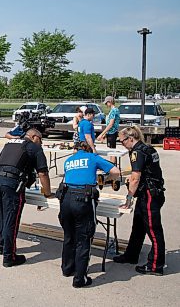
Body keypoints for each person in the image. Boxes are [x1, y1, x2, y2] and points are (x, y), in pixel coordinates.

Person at [59, 141, 120, 288]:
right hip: (83, 199)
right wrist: (104, 179)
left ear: (75, 149)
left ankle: (67, 269)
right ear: (88, 149)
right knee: (84, 238)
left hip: (65, 199)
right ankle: (80, 278)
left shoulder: (68, 161)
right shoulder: (92, 157)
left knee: (69, 235)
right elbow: (116, 172)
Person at [0, 128, 52, 267]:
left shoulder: (11, 143)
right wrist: (47, 193)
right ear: (35, 137)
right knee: (12, 219)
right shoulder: (35, 148)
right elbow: (43, 173)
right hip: (11, 184)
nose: (41, 143)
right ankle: (9, 257)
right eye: (41, 139)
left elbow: (1, 160)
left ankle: (2, 246)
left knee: (2, 215)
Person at [113, 126, 165, 276]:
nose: (121, 144)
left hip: (150, 194)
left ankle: (156, 265)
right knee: (138, 227)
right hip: (148, 192)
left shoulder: (138, 151)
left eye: (122, 141)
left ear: (130, 138)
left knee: (154, 231)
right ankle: (131, 255)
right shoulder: (147, 148)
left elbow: (135, 178)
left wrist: (128, 198)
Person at [97, 96, 120, 164]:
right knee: (112, 151)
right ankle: (113, 166)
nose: (106, 105)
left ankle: (112, 168)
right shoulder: (114, 110)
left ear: (109, 102)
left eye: (106, 103)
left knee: (112, 151)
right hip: (111, 132)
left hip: (112, 132)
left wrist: (102, 134)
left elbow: (110, 124)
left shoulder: (113, 110)